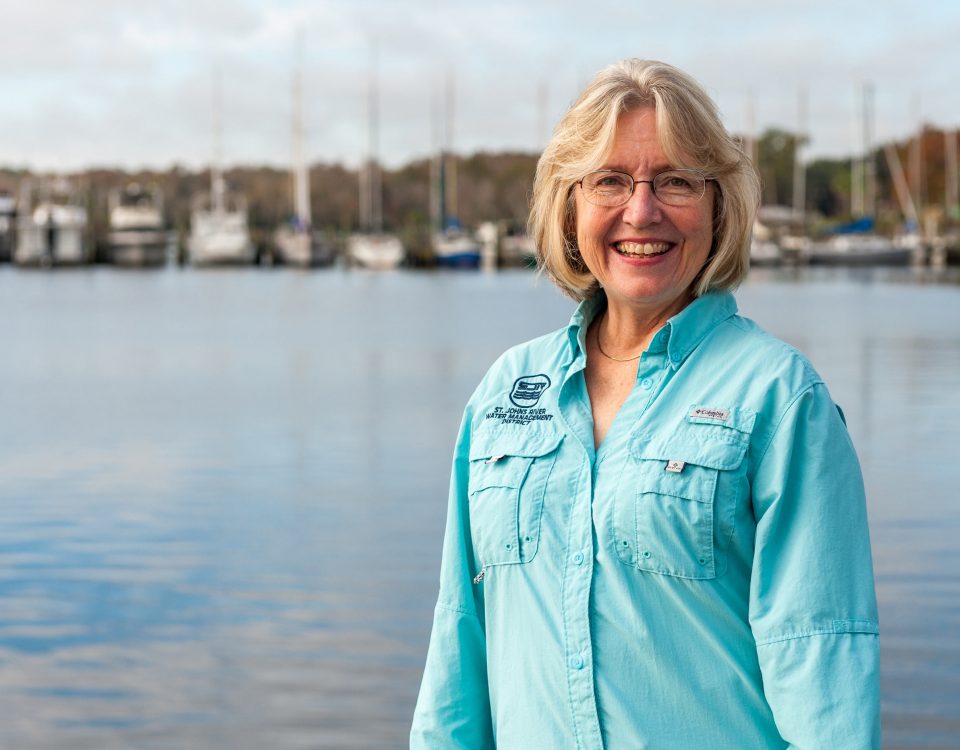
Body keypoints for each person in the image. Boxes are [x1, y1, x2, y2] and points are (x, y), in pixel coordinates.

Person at [410, 59, 879, 749]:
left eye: (676, 181)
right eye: (609, 181)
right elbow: (459, 639)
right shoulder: (505, 394)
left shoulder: (781, 400)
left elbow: (821, 666)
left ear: (719, 205)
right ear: (570, 206)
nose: (641, 210)